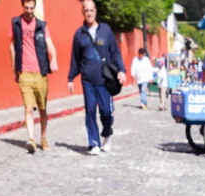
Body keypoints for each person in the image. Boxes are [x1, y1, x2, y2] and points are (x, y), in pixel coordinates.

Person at [67, 0, 125, 155]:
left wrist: (122, 70)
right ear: (82, 12)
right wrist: (71, 78)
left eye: (91, 10)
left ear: (96, 11)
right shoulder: (79, 35)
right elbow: (75, 58)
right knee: (90, 111)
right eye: (86, 10)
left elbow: (115, 52)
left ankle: (107, 134)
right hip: (88, 80)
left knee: (106, 111)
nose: (89, 13)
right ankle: (93, 143)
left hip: (105, 80)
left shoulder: (105, 30)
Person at [9, 0, 57, 153]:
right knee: (28, 108)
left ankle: (43, 138)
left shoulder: (41, 25)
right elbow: (12, 46)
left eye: (31, 8)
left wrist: (54, 58)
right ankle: (31, 139)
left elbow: (50, 43)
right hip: (24, 73)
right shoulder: (16, 23)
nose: (29, 11)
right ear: (22, 6)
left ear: (34, 7)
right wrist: (14, 69)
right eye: (26, 8)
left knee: (42, 109)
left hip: (41, 73)